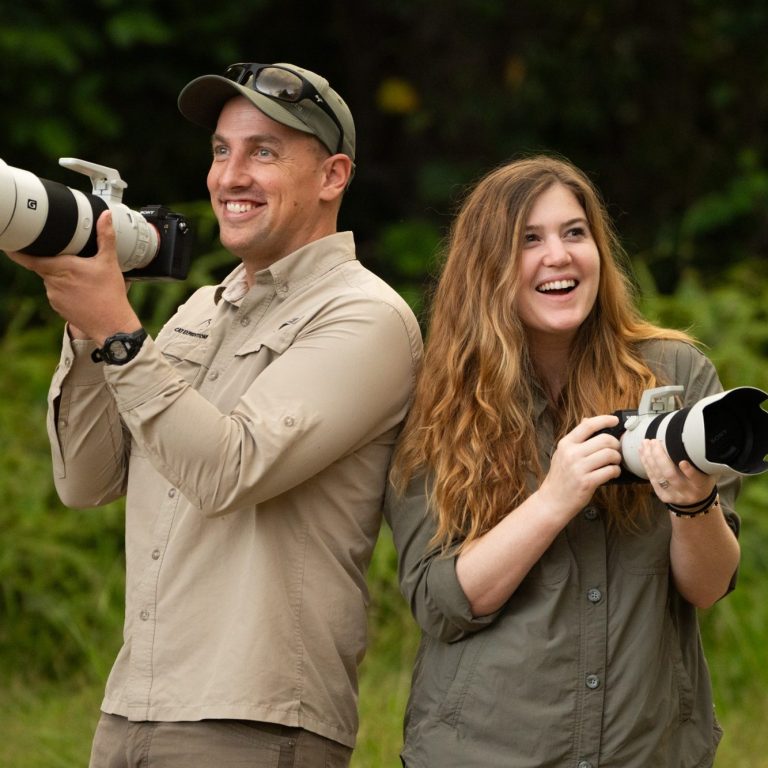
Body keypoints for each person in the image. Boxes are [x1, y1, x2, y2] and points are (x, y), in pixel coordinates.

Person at [7, 62, 422, 767]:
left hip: (252, 721)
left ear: (333, 176)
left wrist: (116, 329)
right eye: (221, 151)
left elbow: (229, 471)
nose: (231, 176)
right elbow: (86, 481)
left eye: (264, 152)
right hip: (131, 707)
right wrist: (85, 326)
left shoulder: (365, 316)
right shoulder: (202, 308)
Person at [384, 155, 742, 768]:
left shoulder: (674, 374)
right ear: (486, 266)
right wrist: (551, 502)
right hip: (486, 751)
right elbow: (441, 604)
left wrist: (693, 502)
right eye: (529, 239)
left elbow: (708, 588)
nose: (558, 256)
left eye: (575, 232)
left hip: (647, 748)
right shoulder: (439, 401)